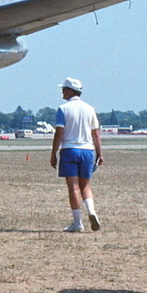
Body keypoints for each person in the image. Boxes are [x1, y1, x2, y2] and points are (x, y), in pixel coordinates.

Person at [50, 78, 103, 232]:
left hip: (69, 149)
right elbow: (96, 134)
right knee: (85, 185)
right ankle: (92, 211)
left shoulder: (63, 109)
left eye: (64, 89)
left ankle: (78, 222)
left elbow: (59, 132)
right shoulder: (90, 109)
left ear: (70, 91)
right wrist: (100, 153)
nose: (62, 92)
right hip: (87, 151)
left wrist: (53, 153)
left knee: (73, 187)